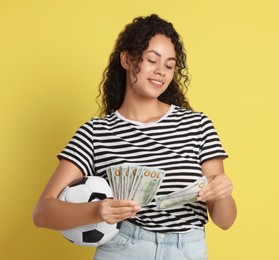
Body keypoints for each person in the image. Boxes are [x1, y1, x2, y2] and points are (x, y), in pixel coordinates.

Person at [33, 14, 237, 260]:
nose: (161, 71)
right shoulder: (96, 133)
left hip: (187, 251)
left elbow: (225, 221)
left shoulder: (198, 125)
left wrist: (223, 193)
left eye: (170, 65)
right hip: (124, 249)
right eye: (152, 60)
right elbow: (42, 212)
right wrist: (98, 210)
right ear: (127, 59)